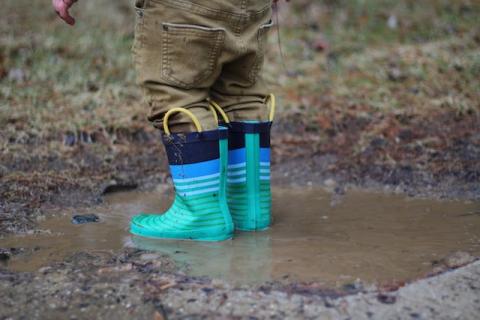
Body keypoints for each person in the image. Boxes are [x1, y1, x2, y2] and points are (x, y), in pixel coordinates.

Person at [53, 0, 284, 241]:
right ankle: (248, 207)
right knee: (240, 94)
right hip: (251, 8)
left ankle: (199, 214)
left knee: (178, 95)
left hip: (182, 8)